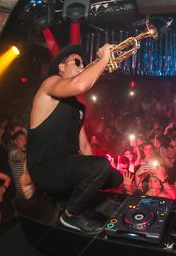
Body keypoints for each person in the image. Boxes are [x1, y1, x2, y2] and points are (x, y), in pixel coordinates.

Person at [26, 44, 123, 234]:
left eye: (83, 63)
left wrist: (97, 175)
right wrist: (104, 59)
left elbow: (85, 147)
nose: (82, 66)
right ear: (61, 67)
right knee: (101, 167)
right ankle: (69, 216)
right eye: (77, 61)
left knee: (114, 176)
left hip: (65, 167)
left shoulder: (79, 107)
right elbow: (80, 84)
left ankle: (74, 202)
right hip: (45, 168)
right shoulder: (50, 84)